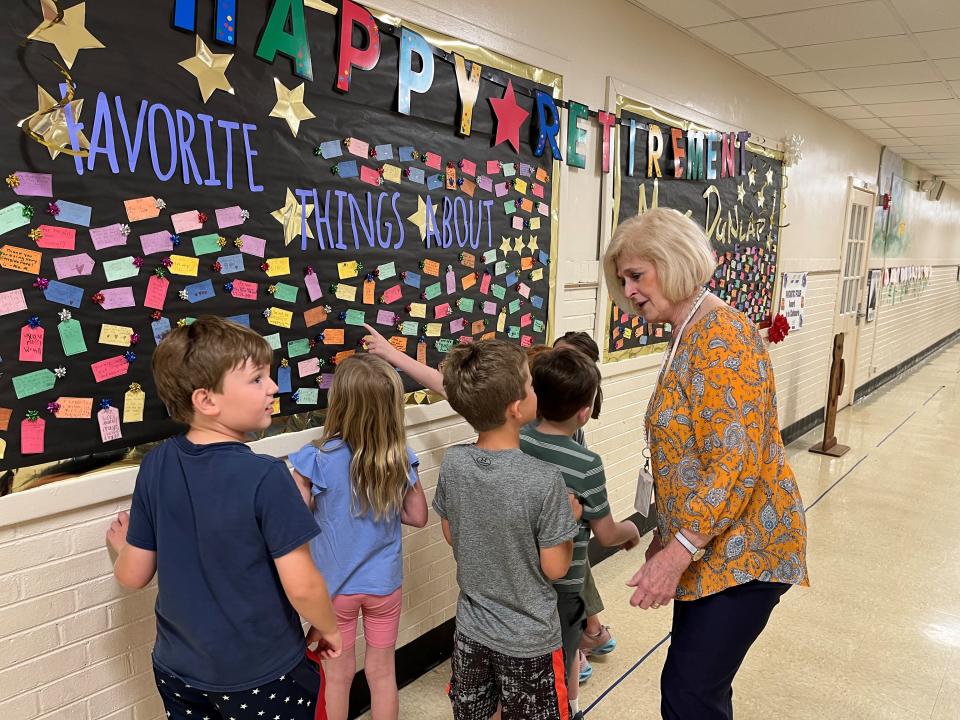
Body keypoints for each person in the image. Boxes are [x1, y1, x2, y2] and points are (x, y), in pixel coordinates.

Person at [602, 208, 808, 720]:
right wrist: (668, 535)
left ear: (671, 263)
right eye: (623, 278)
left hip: (744, 552)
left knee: (690, 693)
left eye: (636, 275)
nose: (628, 291)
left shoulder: (720, 337)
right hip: (710, 547)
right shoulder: (690, 329)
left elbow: (733, 465)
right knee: (700, 690)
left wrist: (677, 553)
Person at [105, 316, 341, 720]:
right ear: (207, 400)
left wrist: (122, 547)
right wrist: (330, 626)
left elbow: (132, 576)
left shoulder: (156, 464)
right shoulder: (266, 475)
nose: (272, 387)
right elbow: (301, 584)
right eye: (256, 379)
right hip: (261, 676)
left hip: (178, 671)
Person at [434, 339, 579, 720]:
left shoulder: (454, 463)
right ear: (516, 408)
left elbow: (453, 534)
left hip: (470, 632)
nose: (535, 390)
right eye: (530, 384)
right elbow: (556, 568)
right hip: (529, 642)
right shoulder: (545, 480)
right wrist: (570, 522)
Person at [288, 354, 429, 720]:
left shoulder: (314, 459)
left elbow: (292, 522)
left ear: (340, 403)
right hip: (384, 586)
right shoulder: (399, 458)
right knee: (382, 672)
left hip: (334, 592)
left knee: (337, 677)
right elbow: (417, 516)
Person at [521, 347, 641, 718]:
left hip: (520, 577)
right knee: (564, 657)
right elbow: (606, 534)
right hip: (564, 588)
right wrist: (633, 529)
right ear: (584, 411)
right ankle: (568, 710)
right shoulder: (586, 464)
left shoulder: (518, 439)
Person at [550, 333, 616, 683]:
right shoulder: (559, 426)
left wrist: (628, 531)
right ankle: (593, 631)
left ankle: (578, 650)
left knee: (566, 588)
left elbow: (605, 529)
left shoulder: (571, 441)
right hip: (567, 536)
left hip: (564, 534)